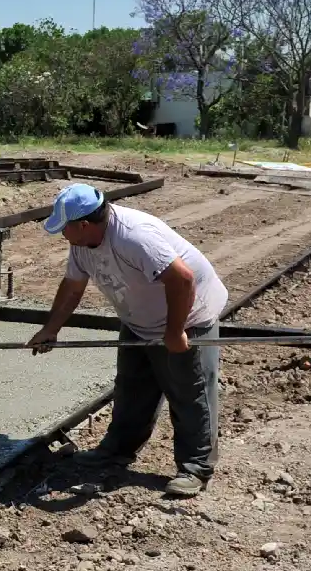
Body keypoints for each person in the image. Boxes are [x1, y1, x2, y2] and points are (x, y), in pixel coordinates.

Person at [28, 184, 229, 497]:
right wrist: (50, 329)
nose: (62, 234)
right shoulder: (82, 242)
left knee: (189, 392)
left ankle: (196, 467)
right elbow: (73, 286)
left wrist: (175, 332)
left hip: (189, 316)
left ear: (84, 224)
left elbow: (182, 279)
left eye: (64, 228)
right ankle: (117, 450)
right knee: (132, 387)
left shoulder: (134, 237)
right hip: (140, 320)